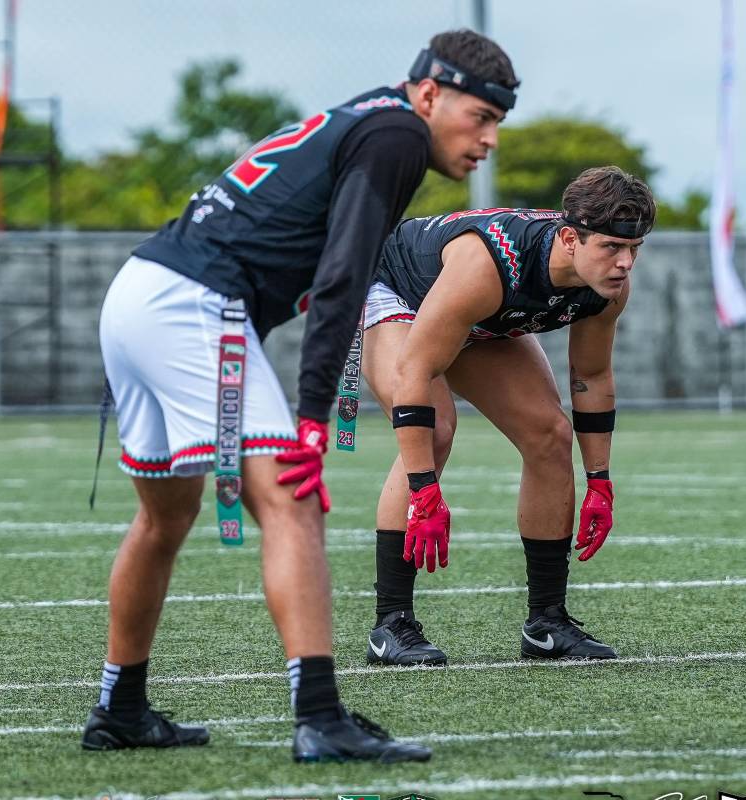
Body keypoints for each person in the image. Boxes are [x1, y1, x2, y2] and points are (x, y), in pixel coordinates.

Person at [82, 30, 519, 763]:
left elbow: (320, 253)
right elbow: (346, 277)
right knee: (294, 501)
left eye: (498, 123)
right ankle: (320, 717)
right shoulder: (397, 135)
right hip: (196, 301)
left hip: (140, 289)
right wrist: (313, 419)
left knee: (166, 516)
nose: (490, 140)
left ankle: (119, 706)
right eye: (481, 116)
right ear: (431, 93)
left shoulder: (368, 117)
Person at [360, 166, 655, 667]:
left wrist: (599, 481)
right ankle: (391, 624)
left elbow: (592, 377)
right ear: (569, 238)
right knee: (436, 428)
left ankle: (547, 623)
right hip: (397, 289)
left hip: (479, 314)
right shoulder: (489, 265)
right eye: (610, 247)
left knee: (549, 434)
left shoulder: (606, 286)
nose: (624, 263)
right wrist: (425, 491)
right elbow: (415, 370)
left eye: (634, 249)